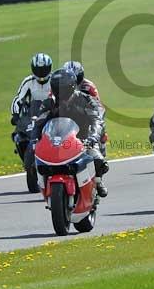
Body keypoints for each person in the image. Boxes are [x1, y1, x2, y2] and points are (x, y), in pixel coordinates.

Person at [31, 69, 109, 197]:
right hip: (57, 141)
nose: (61, 92)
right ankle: (44, 186)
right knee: (36, 160)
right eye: (57, 88)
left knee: (98, 160)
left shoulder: (85, 100)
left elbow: (96, 119)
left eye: (63, 88)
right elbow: (39, 122)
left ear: (72, 86)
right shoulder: (49, 103)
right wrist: (34, 139)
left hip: (83, 140)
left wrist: (93, 136)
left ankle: (97, 181)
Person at [62, 60, 108, 156]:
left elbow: (98, 106)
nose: (74, 81)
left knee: (99, 124)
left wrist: (98, 120)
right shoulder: (59, 86)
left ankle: (101, 146)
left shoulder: (88, 86)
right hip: (68, 114)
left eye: (77, 77)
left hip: (86, 112)